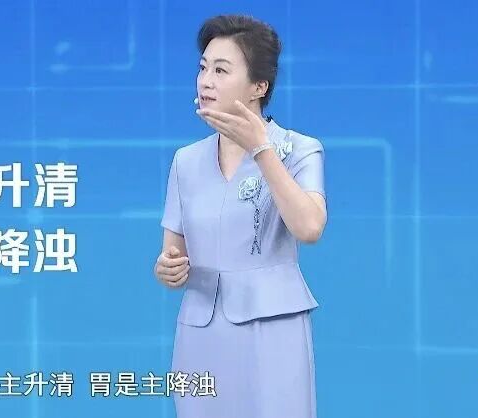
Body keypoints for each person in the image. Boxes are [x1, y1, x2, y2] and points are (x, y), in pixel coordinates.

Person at [154, 14, 328, 418]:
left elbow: (309, 227)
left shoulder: (299, 150)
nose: (205, 81)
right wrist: (167, 269)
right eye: (203, 68)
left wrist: (260, 149)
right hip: (199, 330)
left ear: (259, 86)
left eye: (221, 70)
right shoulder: (185, 161)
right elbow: (172, 255)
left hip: (271, 327)